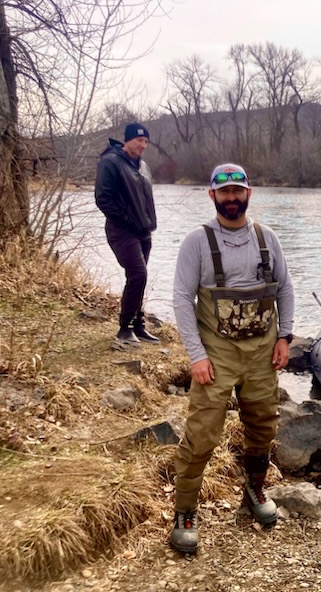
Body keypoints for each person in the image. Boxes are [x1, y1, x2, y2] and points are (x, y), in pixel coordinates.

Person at [170, 163, 295, 553]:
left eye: (238, 191)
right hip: (216, 355)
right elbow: (180, 300)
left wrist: (285, 337)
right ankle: (185, 512)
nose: (231, 198)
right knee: (202, 433)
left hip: (262, 351)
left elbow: (286, 289)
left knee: (263, 427)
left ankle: (254, 490)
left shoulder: (267, 238)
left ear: (248, 194)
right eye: (224, 193)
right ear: (212, 196)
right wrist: (196, 355)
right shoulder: (197, 242)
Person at [94, 122, 159, 345]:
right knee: (138, 274)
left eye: (146, 141)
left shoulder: (143, 166)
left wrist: (148, 223)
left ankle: (138, 326)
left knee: (138, 278)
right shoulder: (110, 162)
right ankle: (124, 328)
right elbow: (103, 199)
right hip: (122, 231)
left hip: (144, 231)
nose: (143, 145)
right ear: (127, 140)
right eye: (139, 140)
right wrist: (129, 220)